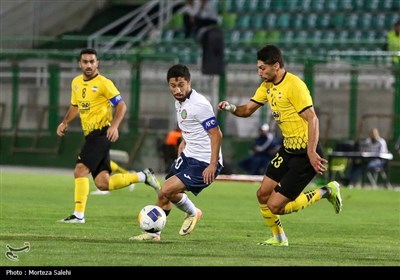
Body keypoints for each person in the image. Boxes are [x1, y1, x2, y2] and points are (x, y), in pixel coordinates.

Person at [218, 45, 342, 246]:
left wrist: (311, 152)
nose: (259, 72)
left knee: (275, 206)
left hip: (305, 154)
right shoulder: (267, 86)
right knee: (262, 194)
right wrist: (231, 107)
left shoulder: (295, 85)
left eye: (262, 68)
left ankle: (326, 192)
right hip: (287, 149)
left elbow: (313, 119)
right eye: (258, 68)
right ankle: (279, 238)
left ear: (276, 66)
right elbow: (247, 110)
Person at [56, 48, 160, 224]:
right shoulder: (76, 83)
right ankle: (143, 176)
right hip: (90, 135)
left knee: (80, 170)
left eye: (92, 61)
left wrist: (115, 126)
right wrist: (65, 122)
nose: (88, 65)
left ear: (97, 63)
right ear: (79, 64)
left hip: (102, 133)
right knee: (103, 183)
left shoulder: (104, 83)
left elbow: (121, 106)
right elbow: (75, 106)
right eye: (85, 62)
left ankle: (78, 215)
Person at [130, 64, 224, 241]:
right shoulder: (179, 102)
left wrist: (213, 164)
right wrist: (184, 141)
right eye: (173, 85)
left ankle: (192, 212)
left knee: (165, 189)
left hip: (204, 161)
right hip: (188, 155)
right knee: (164, 194)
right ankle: (153, 235)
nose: (177, 89)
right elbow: (191, 125)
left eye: (181, 84)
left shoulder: (199, 104)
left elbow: (216, 134)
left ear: (189, 82)